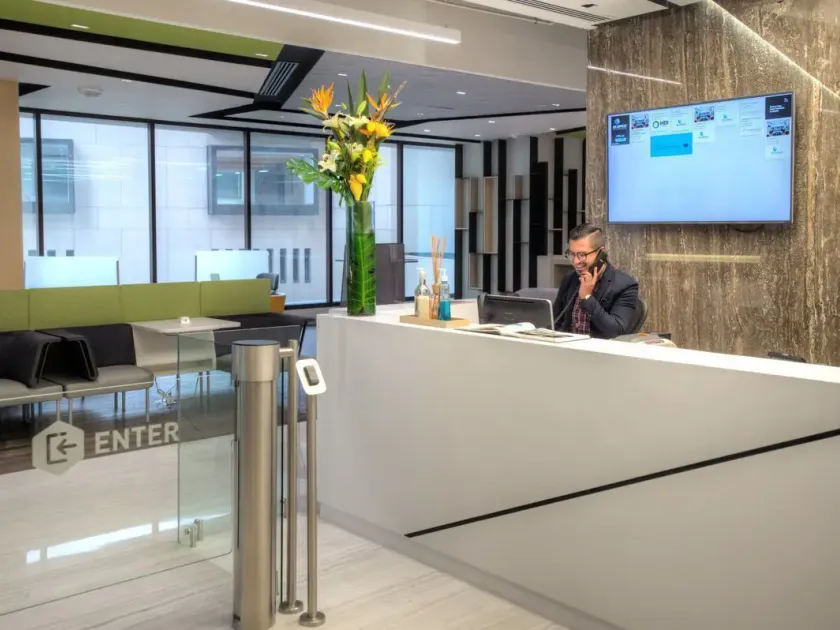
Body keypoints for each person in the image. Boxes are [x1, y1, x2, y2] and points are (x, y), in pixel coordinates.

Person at [553, 224, 638, 339]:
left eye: (582, 255)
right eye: (572, 254)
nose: (576, 261)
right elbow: (556, 321)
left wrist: (587, 298)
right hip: (566, 345)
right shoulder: (570, 278)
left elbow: (616, 331)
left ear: (601, 253)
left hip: (599, 348)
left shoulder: (625, 285)